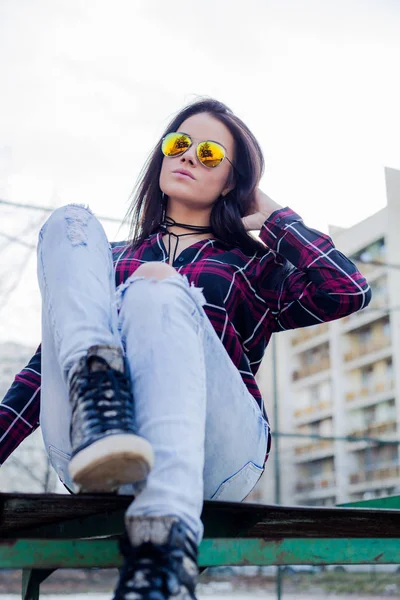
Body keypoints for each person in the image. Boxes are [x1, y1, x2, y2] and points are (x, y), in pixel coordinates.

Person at [0, 98, 371, 599]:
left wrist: (276, 218)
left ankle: (166, 539)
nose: (190, 156)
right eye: (178, 144)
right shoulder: (105, 262)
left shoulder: (250, 266)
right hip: (97, 455)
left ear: (233, 182)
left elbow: (346, 289)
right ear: (161, 158)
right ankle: (99, 396)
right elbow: (42, 372)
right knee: (69, 221)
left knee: (156, 286)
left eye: (211, 154)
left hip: (213, 460)